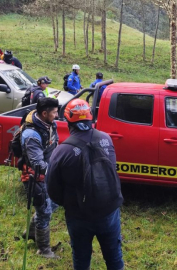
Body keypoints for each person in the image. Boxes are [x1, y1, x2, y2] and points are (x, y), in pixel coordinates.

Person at [46, 99, 124, 270]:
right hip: (109, 210)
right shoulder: (106, 139)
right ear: (90, 118)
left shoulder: (62, 151)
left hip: (78, 215)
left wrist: (68, 203)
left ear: (68, 121)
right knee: (114, 257)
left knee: (81, 259)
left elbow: (51, 187)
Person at [20, 97, 60, 258]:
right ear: (44, 113)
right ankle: (43, 250)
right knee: (45, 212)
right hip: (35, 178)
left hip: (49, 174)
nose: (57, 115)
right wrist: (59, 171)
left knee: (56, 202)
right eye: (55, 112)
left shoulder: (50, 124)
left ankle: (30, 231)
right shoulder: (31, 135)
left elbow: (55, 145)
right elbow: (38, 165)